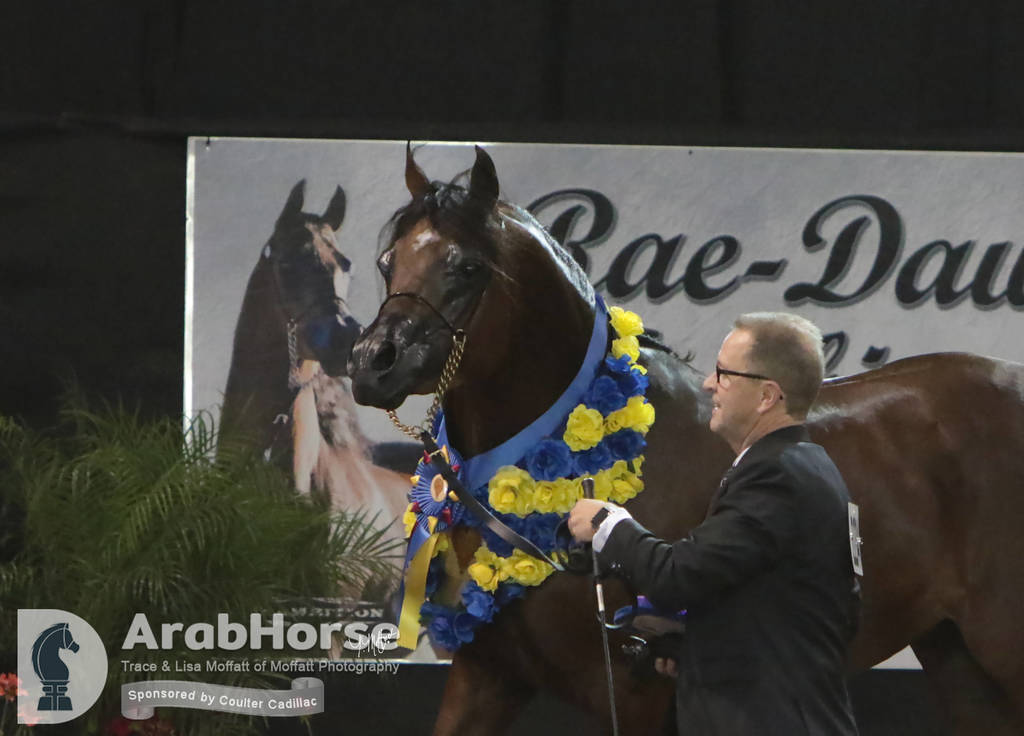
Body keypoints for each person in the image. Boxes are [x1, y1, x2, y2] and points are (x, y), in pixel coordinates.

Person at [569, 312, 860, 735]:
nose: (708, 384)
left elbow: (677, 575)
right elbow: (800, 610)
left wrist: (608, 523)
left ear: (766, 396)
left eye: (724, 373)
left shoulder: (775, 476)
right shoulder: (804, 466)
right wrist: (699, 642)